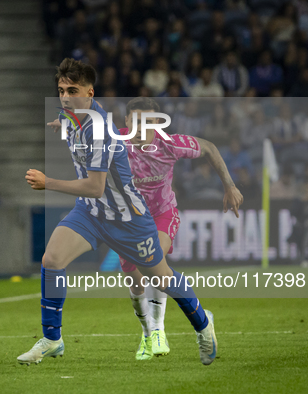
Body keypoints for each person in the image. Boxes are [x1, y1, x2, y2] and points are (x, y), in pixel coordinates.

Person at [18, 58, 224, 366]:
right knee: (52, 260)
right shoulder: (74, 113)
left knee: (162, 278)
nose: (64, 97)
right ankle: (52, 339)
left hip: (127, 218)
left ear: (89, 93)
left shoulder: (99, 131)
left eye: (72, 90)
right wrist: (62, 122)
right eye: (60, 90)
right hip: (90, 214)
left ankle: (203, 325)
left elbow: (95, 187)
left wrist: (49, 183)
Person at [116, 97, 242, 360]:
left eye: (149, 121)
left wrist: (229, 185)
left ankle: (159, 329)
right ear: (127, 122)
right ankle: (148, 334)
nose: (142, 127)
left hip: (162, 214)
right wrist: (67, 123)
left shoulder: (169, 143)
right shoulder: (115, 141)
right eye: (136, 121)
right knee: (134, 281)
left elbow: (208, 147)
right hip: (129, 220)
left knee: (153, 261)